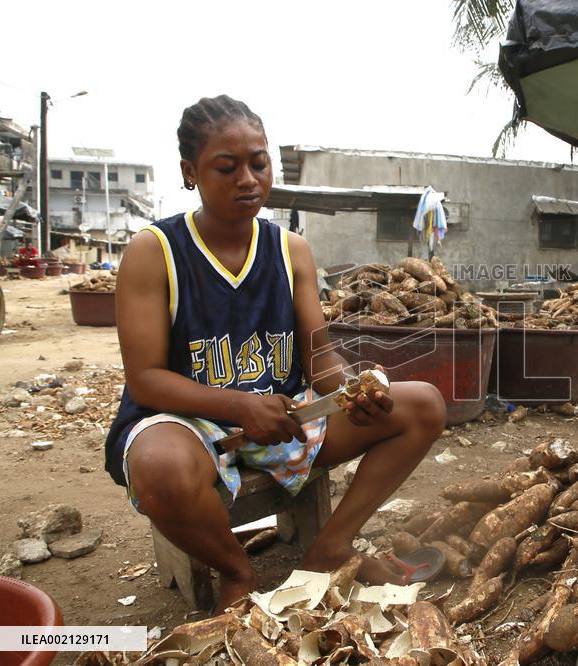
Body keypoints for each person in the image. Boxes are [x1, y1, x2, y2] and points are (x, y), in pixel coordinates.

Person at [104, 95, 446, 610]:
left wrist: (349, 389)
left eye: (258, 162)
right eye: (227, 166)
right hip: (188, 423)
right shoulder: (155, 252)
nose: (247, 178)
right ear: (189, 172)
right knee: (160, 469)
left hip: (286, 417)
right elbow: (147, 379)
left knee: (421, 405)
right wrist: (238, 405)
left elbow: (319, 355)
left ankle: (330, 547)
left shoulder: (291, 250)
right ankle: (236, 571)